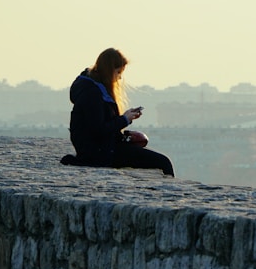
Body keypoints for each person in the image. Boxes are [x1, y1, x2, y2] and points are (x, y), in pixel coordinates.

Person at [60, 48, 175, 177]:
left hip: (101, 148)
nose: (119, 77)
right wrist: (124, 119)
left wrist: (126, 118)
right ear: (109, 71)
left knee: (159, 161)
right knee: (163, 162)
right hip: (100, 152)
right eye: (118, 72)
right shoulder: (92, 93)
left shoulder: (93, 88)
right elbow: (99, 129)